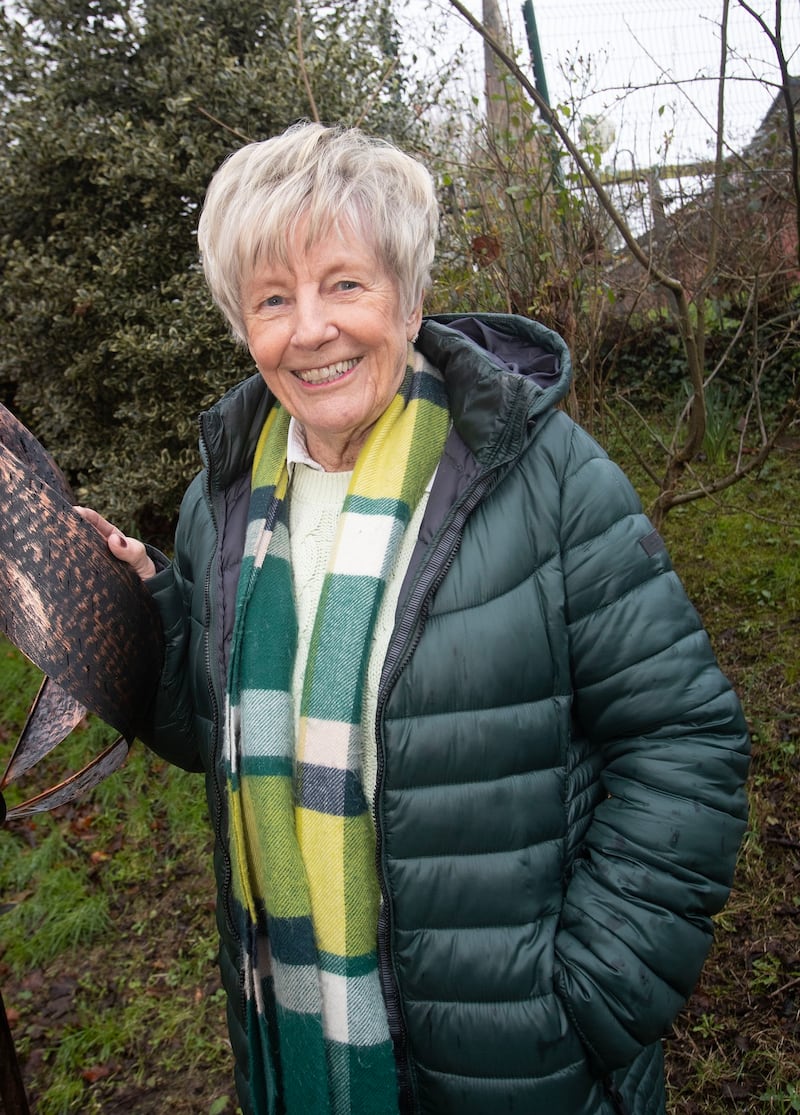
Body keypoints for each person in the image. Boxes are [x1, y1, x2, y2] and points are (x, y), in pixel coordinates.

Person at [79, 122, 750, 1115]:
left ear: (406, 292)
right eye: (272, 298)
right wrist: (143, 617)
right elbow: (214, 732)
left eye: (343, 283)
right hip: (297, 1043)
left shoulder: (541, 479)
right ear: (242, 323)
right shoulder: (221, 504)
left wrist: (591, 998)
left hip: (519, 1066)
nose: (308, 329)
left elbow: (683, 737)